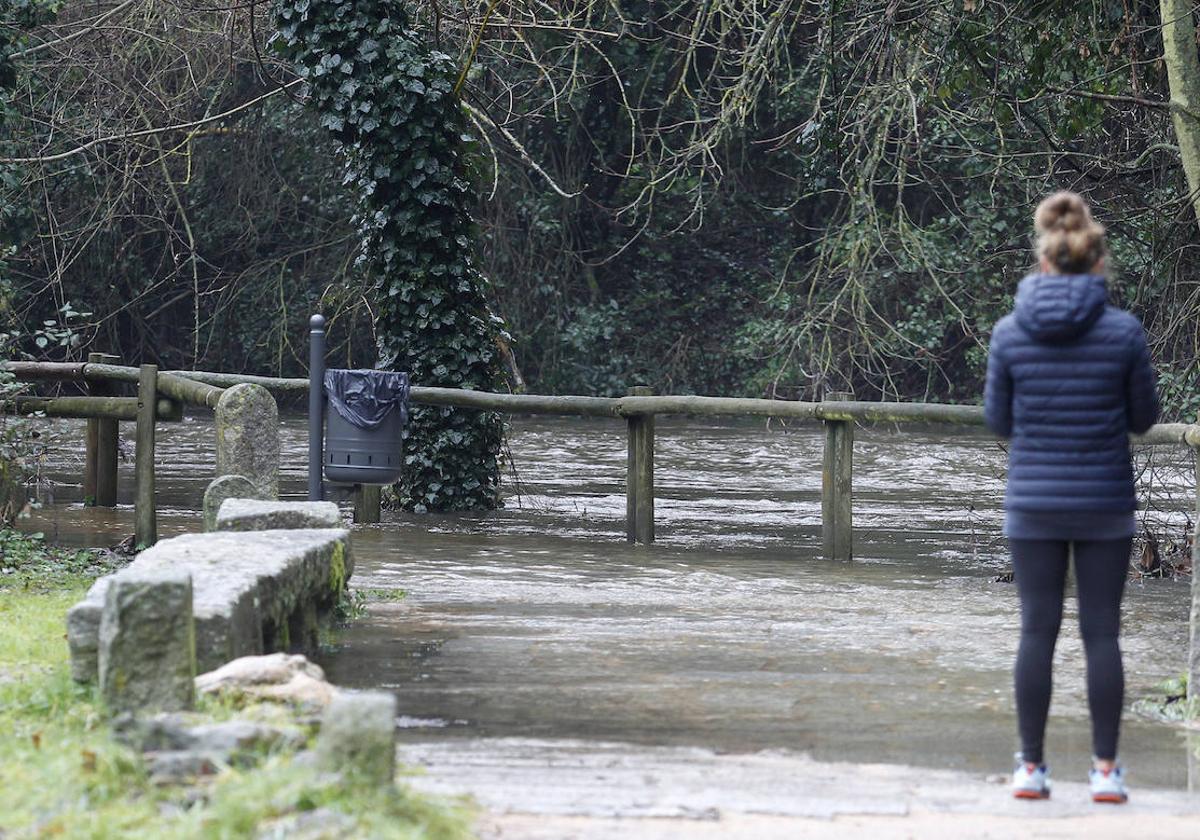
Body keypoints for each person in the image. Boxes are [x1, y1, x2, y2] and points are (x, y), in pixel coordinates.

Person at [983, 191, 1159, 803]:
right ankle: (1106, 773)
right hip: (1105, 503)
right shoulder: (1124, 332)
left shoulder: (1009, 332)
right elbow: (1143, 418)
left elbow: (998, 421)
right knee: (1102, 635)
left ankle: (1031, 769)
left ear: (1044, 260)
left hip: (1032, 503)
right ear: (1097, 262)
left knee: (1037, 632)